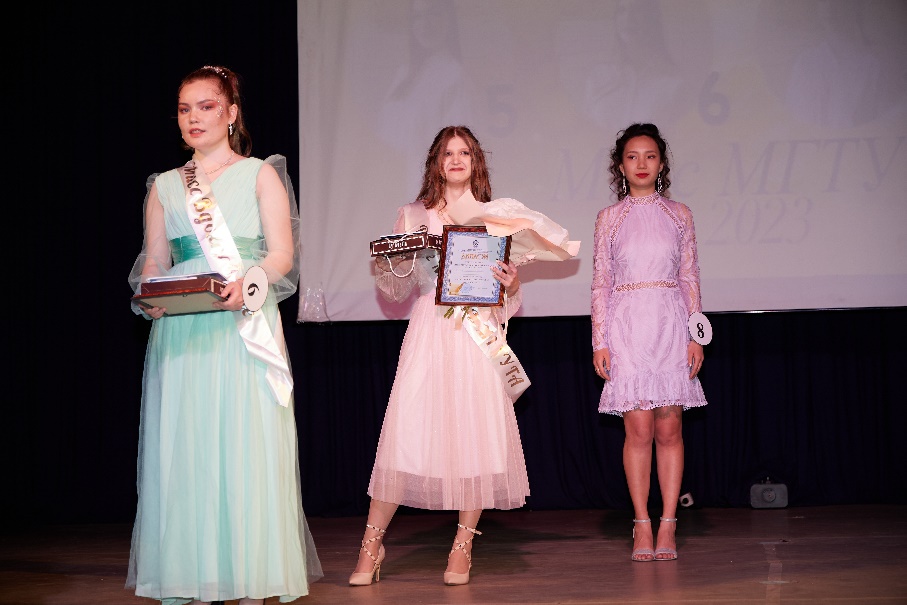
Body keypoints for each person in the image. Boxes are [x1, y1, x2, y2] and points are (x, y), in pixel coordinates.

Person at [126, 65, 322, 604]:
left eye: (207, 106)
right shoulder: (166, 186)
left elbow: (282, 255)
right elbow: (155, 261)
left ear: (231, 113)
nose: (194, 117)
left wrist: (248, 282)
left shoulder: (260, 174)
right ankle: (193, 578)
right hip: (184, 330)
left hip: (244, 323)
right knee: (188, 451)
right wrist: (151, 294)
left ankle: (251, 575)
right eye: (185, 108)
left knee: (246, 446)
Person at [351, 125, 556, 587]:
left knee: (475, 435)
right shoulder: (413, 213)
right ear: (436, 162)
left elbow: (506, 302)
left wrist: (510, 284)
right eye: (448, 153)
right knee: (407, 432)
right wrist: (396, 260)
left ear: (476, 161)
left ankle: (463, 545)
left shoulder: (495, 218)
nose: (457, 159)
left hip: (476, 334)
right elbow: (395, 289)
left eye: (465, 152)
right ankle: (371, 543)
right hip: (430, 328)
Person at [591, 123, 708, 562]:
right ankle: (641, 521)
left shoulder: (680, 214)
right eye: (632, 156)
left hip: (671, 324)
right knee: (638, 429)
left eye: (650, 156)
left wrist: (696, 335)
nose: (641, 164)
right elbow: (601, 283)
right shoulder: (609, 218)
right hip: (626, 327)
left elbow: (690, 276)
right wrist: (600, 341)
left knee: (669, 428)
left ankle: (668, 523)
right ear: (620, 166)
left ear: (661, 164)